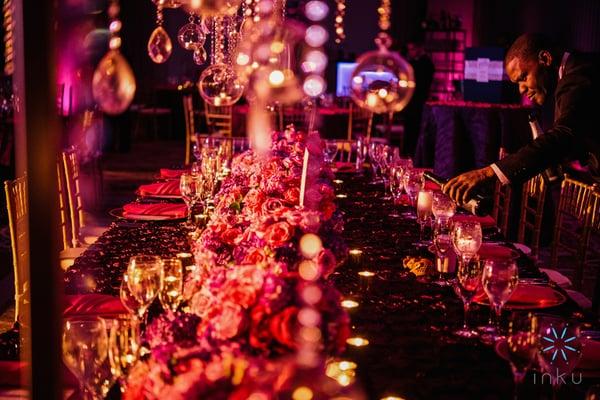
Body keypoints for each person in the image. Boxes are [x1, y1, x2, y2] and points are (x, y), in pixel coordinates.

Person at [444, 33, 600, 204]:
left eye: (523, 78)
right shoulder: (572, 75)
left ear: (545, 58)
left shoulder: (580, 74)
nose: (521, 89)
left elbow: (564, 135)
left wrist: (488, 173)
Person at [402, 39, 434, 157]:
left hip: (418, 103)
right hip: (412, 103)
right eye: (409, 49)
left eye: (412, 49)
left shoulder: (425, 63)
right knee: (410, 131)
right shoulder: (414, 63)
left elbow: (420, 84)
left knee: (414, 132)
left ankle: (412, 156)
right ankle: (408, 155)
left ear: (420, 48)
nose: (410, 52)